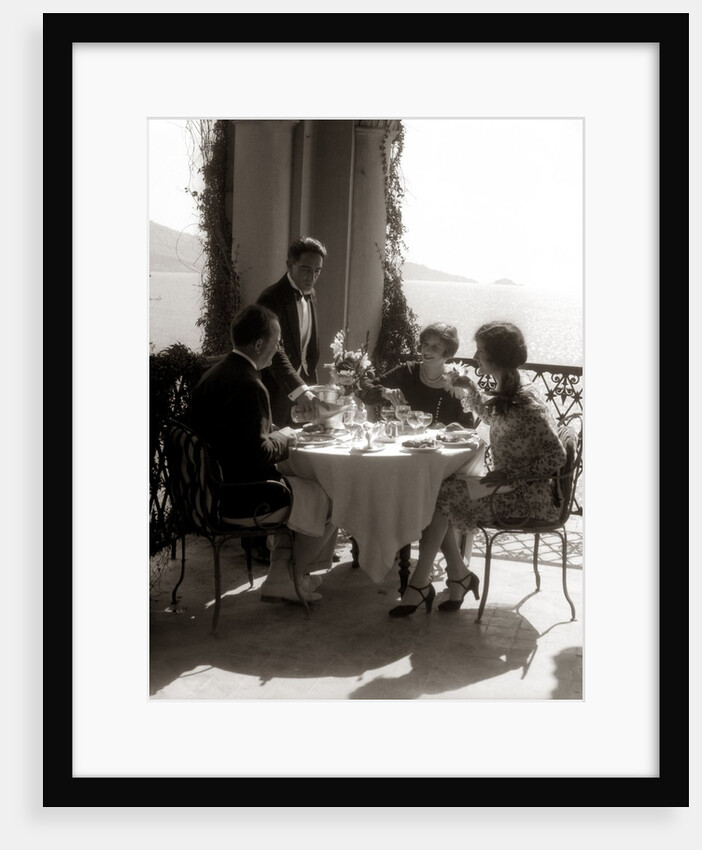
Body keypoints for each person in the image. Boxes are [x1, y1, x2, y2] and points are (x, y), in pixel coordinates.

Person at [388, 320, 567, 617]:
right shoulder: (513, 389)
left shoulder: (525, 402)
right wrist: (470, 387)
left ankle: (423, 584)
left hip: (526, 497)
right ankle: (456, 577)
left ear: (495, 357)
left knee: (440, 497)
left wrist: (511, 475)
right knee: (441, 492)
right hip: (509, 486)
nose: (475, 356)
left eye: (481, 351)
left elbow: (556, 456)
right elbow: (496, 414)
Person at [189, 304, 338, 604]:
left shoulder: (217, 373)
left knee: (305, 487)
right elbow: (257, 455)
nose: (279, 348)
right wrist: (288, 436)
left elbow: (236, 439)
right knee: (332, 496)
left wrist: (278, 432)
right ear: (259, 344)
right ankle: (292, 577)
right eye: (277, 341)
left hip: (206, 490)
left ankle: (280, 577)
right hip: (238, 497)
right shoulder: (250, 385)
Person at [256, 236, 332, 429]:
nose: (312, 277)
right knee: (276, 454)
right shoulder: (271, 298)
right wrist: (300, 391)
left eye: (318, 271)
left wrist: (312, 388)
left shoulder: (311, 294)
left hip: (305, 394)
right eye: (306, 269)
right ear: (290, 265)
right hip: (276, 393)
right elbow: (273, 351)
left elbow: (308, 350)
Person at [357, 321, 478, 429]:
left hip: (442, 449)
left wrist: (449, 429)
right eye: (425, 344)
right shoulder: (407, 371)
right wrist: (384, 392)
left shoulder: (457, 382)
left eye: (435, 347)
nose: (427, 350)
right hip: (405, 446)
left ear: (447, 353)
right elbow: (363, 389)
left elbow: (467, 426)